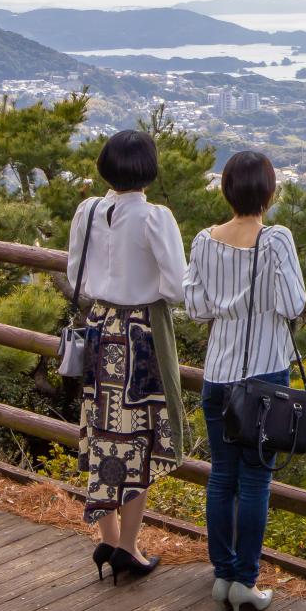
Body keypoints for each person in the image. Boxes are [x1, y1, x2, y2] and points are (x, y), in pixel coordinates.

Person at [183, 150, 306, 611]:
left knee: (221, 476)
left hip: (217, 374)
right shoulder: (276, 240)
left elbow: (196, 308)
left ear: (227, 190)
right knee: (255, 481)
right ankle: (245, 582)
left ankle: (222, 574)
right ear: (269, 192)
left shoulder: (203, 240)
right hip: (263, 378)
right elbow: (293, 303)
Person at [67, 130, 188, 585]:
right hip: (139, 334)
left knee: (103, 432)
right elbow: (176, 288)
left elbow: (73, 272)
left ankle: (109, 538)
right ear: (149, 169)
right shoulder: (156, 218)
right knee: (138, 440)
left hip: (99, 328)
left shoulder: (89, 210)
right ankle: (129, 548)